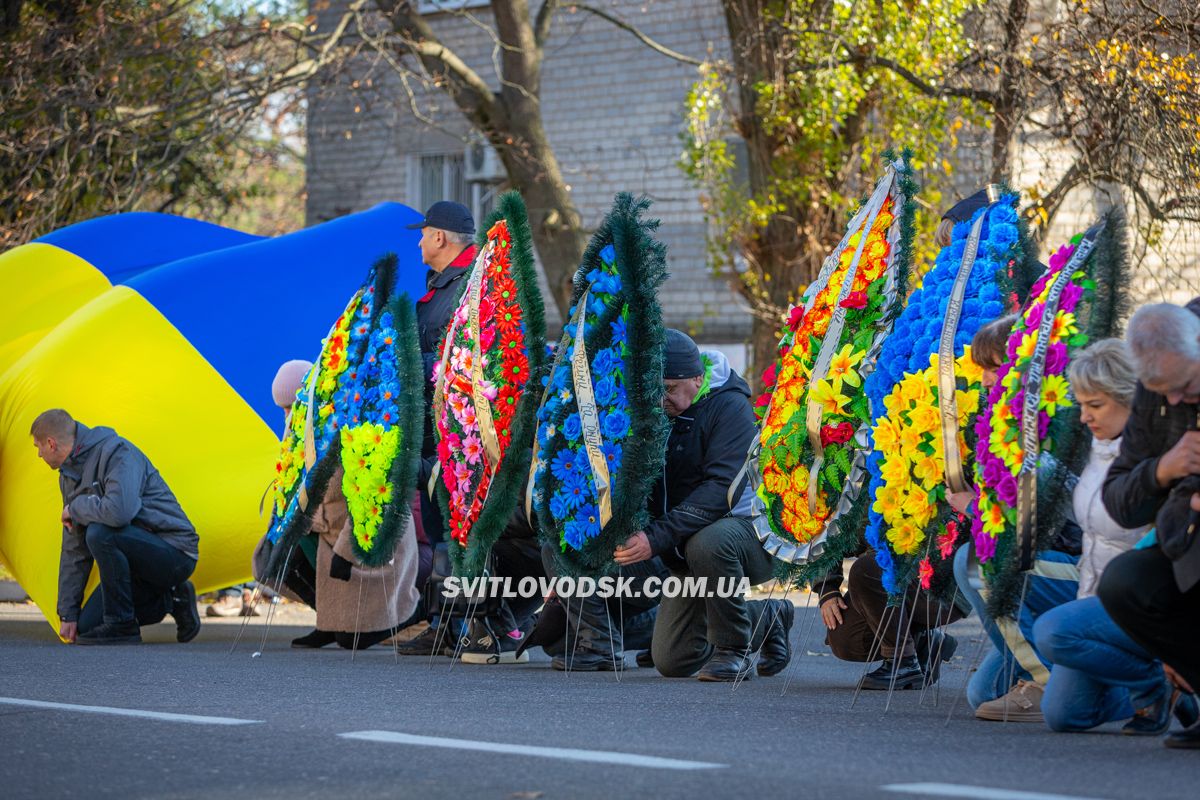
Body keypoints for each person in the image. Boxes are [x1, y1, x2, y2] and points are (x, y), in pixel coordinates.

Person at [547, 330, 794, 680]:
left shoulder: (730, 406)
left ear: (697, 378)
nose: (661, 398)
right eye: (655, 388)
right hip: (678, 549)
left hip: (743, 537)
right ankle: (765, 618)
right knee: (674, 661)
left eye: (670, 388)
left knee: (710, 540)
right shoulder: (653, 407)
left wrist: (654, 537)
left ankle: (732, 649)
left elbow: (721, 490)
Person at [1031, 339, 1198, 735]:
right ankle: (1157, 686)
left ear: (1130, 399)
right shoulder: (1097, 446)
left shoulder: (1166, 452)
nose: (1085, 416)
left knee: (1054, 631)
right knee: (1064, 716)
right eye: (1082, 404)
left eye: (1096, 405)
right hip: (1092, 593)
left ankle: (1156, 677)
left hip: (1136, 600)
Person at [950, 315, 1084, 721]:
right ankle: (1066, 669)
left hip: (1080, 567)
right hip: (1040, 568)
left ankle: (1052, 680)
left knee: (973, 562)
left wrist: (974, 507)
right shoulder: (1005, 426)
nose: (987, 381)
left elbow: (1037, 522)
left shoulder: (1056, 425)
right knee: (983, 694)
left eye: (994, 368)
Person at [253, 360, 421, 650]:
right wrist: (278, 533)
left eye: (293, 406)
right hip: (327, 543)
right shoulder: (299, 440)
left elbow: (369, 504)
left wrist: (344, 553)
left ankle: (401, 615)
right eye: (282, 409)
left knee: (351, 641)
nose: (287, 416)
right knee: (274, 557)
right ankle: (328, 619)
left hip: (367, 547)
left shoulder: (349, 433)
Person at [1099, 301, 1200, 749]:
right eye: (1164, 392)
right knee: (1125, 581)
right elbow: (1119, 499)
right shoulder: (1154, 389)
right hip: (1184, 539)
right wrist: (1163, 469)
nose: (1175, 401)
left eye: (1185, 386)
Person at [32, 409, 201, 645]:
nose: (38, 454)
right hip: (135, 564)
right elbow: (74, 547)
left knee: (100, 533)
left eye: (38, 447)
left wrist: (77, 508)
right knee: (85, 626)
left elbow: (120, 512)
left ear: (51, 444)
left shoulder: (119, 452)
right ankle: (173, 600)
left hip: (175, 553)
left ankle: (121, 625)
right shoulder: (68, 475)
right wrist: (67, 613)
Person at [396, 201, 479, 653]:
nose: (419, 241)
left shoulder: (470, 286)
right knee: (435, 518)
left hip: (458, 432)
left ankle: (461, 624)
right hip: (434, 428)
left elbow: (462, 359)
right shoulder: (443, 285)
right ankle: (441, 625)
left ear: (441, 238)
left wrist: (410, 365)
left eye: (424, 232)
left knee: (452, 525)